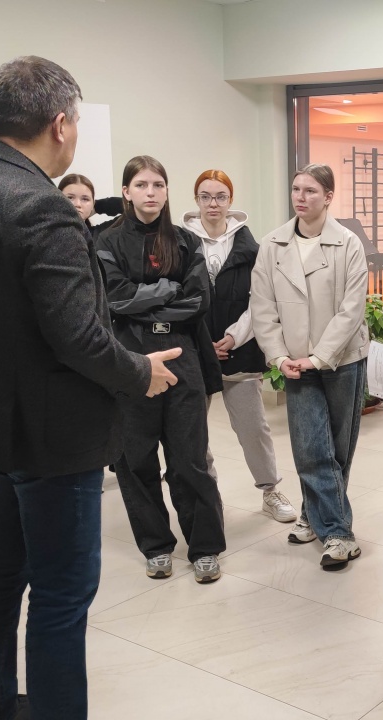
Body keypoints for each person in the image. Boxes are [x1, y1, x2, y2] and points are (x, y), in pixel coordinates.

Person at [0, 56, 179, 719]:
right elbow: (79, 338)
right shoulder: (43, 208)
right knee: (62, 597)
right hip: (51, 438)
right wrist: (142, 371)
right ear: (61, 123)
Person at [97, 156, 227, 585]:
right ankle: (156, 547)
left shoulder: (186, 241)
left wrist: (144, 299)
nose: (150, 192)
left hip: (182, 352)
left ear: (167, 191)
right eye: (141, 185)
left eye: (157, 184)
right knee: (135, 461)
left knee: (190, 459)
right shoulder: (107, 241)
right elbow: (114, 298)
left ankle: (205, 548)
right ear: (127, 191)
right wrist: (167, 288)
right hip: (130, 357)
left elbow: (198, 300)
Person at [250, 163, 369, 570]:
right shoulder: (272, 244)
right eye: (296, 189)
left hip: (341, 360)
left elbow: (352, 309)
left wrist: (319, 357)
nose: (301, 197)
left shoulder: (348, 244)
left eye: (311, 191)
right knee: (310, 447)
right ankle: (338, 534)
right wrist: (279, 356)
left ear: (328, 196)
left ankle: (311, 514)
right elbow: (262, 306)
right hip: (294, 364)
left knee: (337, 449)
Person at [182, 169, 296, 524]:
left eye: (220, 196)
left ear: (230, 200)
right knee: (193, 431)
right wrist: (203, 341)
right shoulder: (180, 244)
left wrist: (234, 336)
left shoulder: (251, 248)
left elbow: (259, 300)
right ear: (196, 200)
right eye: (205, 196)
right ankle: (208, 493)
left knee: (253, 428)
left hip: (240, 350)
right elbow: (177, 297)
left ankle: (270, 490)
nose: (213, 203)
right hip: (195, 352)